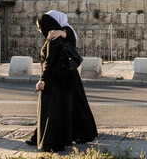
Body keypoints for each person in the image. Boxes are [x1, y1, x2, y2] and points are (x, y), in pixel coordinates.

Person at [44, 10, 98, 144]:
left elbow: (70, 37)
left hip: (69, 73)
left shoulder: (65, 28)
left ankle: (86, 133)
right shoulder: (56, 31)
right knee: (69, 106)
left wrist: (61, 33)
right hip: (65, 73)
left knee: (76, 104)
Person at [26, 13, 74, 152]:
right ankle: (54, 141)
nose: (39, 30)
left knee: (48, 112)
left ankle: (50, 142)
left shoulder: (53, 39)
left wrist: (42, 80)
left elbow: (49, 61)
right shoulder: (58, 37)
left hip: (52, 82)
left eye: (39, 27)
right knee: (56, 112)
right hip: (60, 81)